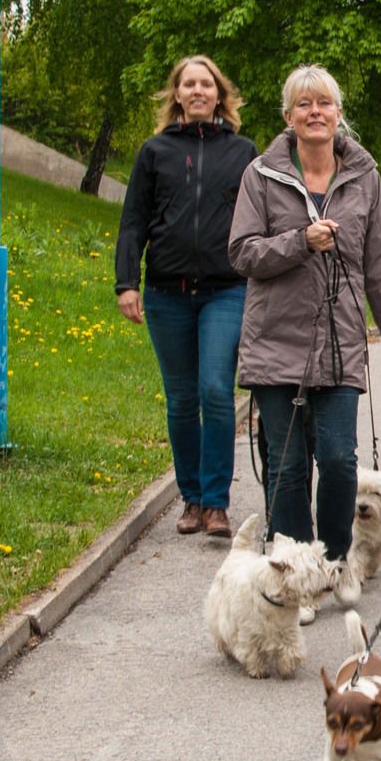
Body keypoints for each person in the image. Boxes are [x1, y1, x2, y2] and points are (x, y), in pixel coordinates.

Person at [229, 65, 381, 617]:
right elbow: (242, 252)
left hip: (339, 344)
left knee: (338, 461)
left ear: (339, 116)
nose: (316, 112)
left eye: (325, 104)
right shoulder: (260, 176)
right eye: (304, 104)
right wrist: (299, 242)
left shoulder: (363, 179)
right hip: (275, 344)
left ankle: (335, 564)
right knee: (287, 466)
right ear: (288, 117)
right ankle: (295, 577)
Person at [114, 55, 258, 539]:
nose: (198, 91)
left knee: (216, 391)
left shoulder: (243, 152)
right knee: (180, 399)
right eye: (188, 84)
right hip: (165, 294)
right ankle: (191, 499)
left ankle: (217, 503)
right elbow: (133, 220)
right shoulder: (155, 151)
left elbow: (260, 218)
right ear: (176, 94)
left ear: (219, 94)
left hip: (225, 291)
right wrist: (126, 282)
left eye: (206, 84)